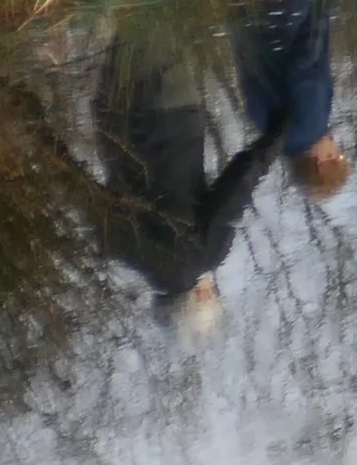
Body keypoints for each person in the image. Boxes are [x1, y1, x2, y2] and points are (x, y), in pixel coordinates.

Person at [94, 35, 288, 333]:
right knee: (124, 17)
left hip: (168, 112)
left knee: (154, 10)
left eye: (214, 294)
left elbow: (240, 182)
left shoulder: (203, 256)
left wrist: (280, 134)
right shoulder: (118, 248)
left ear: (201, 296)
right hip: (111, 117)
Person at [232, 0, 352, 205]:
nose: (337, 147)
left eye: (337, 156)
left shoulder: (310, 125)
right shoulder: (268, 131)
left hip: (285, 10)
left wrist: (320, 9)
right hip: (248, 18)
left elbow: (307, 64)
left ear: (321, 162)